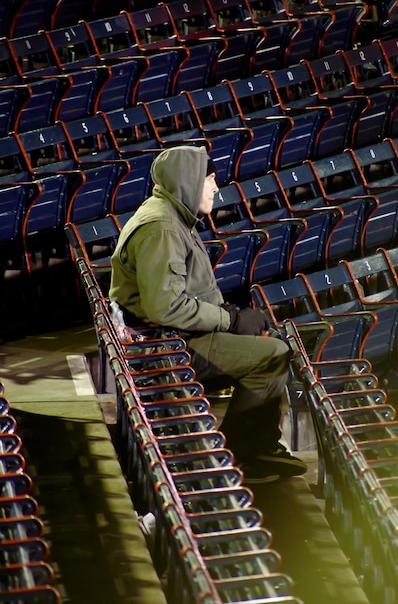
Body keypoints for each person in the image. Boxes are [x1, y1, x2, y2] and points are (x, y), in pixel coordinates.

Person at [109, 145, 307, 483]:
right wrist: (230, 320)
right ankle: (241, 455)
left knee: (268, 342)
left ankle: (256, 445)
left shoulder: (172, 215)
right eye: (210, 179)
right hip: (164, 347)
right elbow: (166, 307)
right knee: (273, 355)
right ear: (187, 181)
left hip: (172, 336)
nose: (216, 187)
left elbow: (184, 295)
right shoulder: (163, 228)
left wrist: (230, 315)